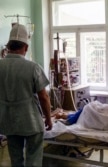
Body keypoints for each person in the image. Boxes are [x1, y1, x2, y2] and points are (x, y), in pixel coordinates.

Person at [0, 24, 52, 167]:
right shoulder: (33, 68)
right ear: (26, 47)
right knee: (33, 160)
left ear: (8, 45)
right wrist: (48, 118)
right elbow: (44, 97)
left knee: (16, 159)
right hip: (31, 122)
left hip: (9, 122)